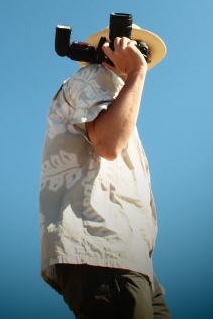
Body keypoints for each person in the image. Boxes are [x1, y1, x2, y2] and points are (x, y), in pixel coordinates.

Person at [40, 19, 171, 318]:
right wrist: (137, 73)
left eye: (144, 55)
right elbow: (108, 143)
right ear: (110, 48)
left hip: (131, 255)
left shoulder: (119, 98)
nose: (142, 58)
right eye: (137, 50)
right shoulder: (93, 77)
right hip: (103, 248)